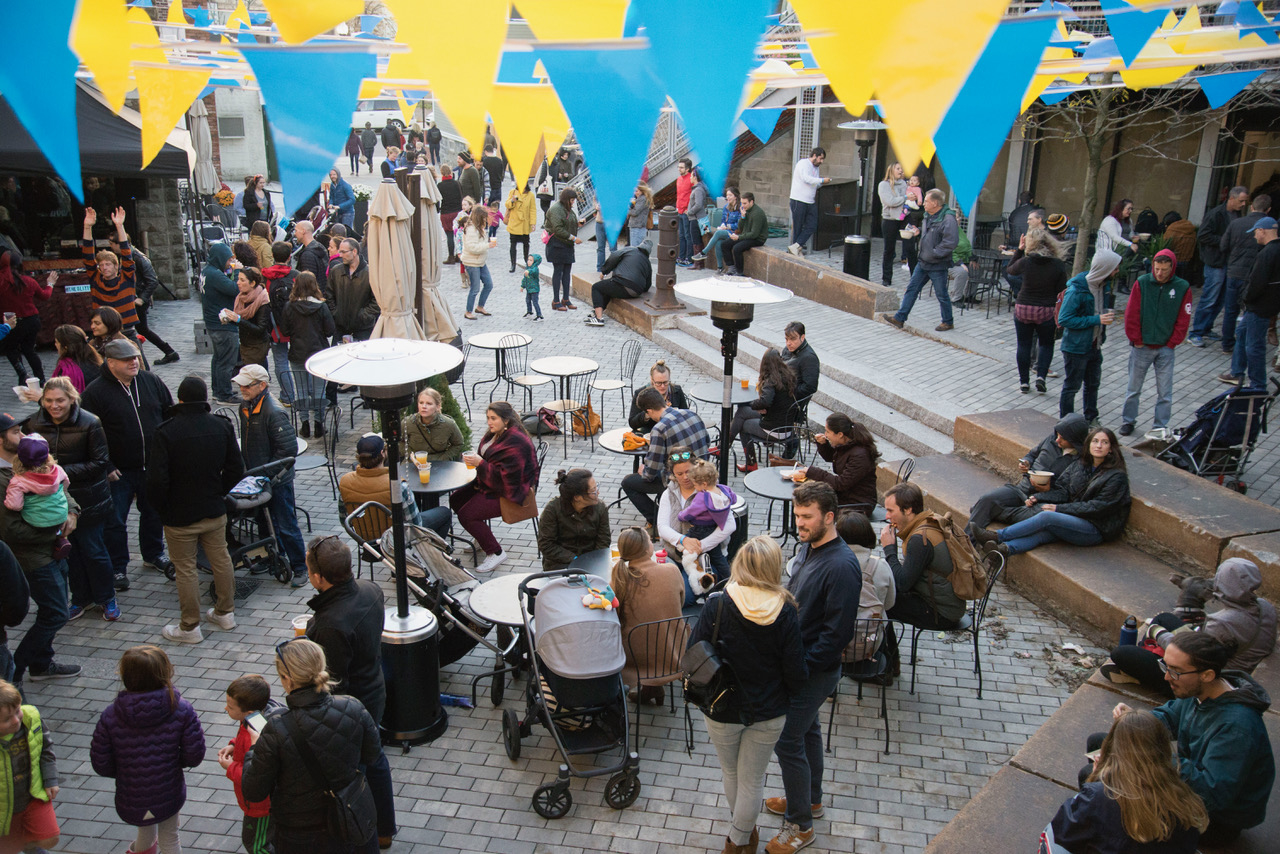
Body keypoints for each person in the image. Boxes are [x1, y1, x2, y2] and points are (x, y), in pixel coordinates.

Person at [693, 535, 807, 854]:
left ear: (739, 564)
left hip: (721, 707)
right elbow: (796, 672)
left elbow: (694, 652)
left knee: (731, 773)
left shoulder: (717, 604)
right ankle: (741, 837)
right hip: (769, 712)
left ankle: (739, 839)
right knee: (752, 780)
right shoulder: (786, 611)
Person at [763, 481, 859, 854]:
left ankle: (800, 826)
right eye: (797, 514)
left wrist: (800, 669)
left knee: (787, 739)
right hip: (799, 664)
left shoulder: (842, 566)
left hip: (812, 670)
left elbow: (837, 634)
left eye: (807, 516)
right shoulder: (809, 546)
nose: (799, 523)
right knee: (808, 732)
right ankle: (810, 799)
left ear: (829, 517)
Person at [1106, 633, 1275, 844]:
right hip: (1190, 790)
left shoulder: (1237, 727)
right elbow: (1168, 717)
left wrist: (1154, 756)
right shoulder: (1199, 692)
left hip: (1213, 820)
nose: (1167, 677)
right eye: (1166, 667)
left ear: (1207, 675)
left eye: (1175, 671)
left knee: (1105, 785)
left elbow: (1211, 794)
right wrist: (1136, 722)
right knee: (1102, 744)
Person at [241, 639, 381, 854]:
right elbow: (372, 755)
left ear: (287, 679)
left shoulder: (277, 729)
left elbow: (253, 790)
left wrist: (254, 747)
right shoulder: (353, 706)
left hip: (301, 832)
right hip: (351, 816)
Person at [302, 536, 397, 851]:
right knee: (375, 757)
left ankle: (363, 833)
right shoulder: (371, 590)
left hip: (351, 704)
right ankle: (385, 829)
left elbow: (333, 681)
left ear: (319, 578)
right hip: (374, 688)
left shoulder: (330, 625)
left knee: (356, 773)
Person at [147, 376, 244, 645]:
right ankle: (225, 613)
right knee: (221, 559)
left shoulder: (166, 432)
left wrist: (162, 507)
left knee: (185, 568)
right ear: (205, 398)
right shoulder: (221, 426)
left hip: (179, 515)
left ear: (180, 399)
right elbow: (236, 468)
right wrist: (219, 492)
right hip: (213, 509)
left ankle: (190, 627)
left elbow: (156, 480)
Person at [90, 645, 206, 854]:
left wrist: (125, 771)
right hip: (168, 789)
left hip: (131, 793)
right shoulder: (181, 709)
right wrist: (174, 763)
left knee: (145, 831)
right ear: (165, 672)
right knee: (170, 837)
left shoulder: (111, 715)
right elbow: (194, 754)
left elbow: (101, 763)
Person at [1103, 558, 1277, 697]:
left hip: (1210, 678)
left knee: (1121, 653)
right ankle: (1150, 659)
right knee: (1163, 618)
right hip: (1234, 659)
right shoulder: (1264, 605)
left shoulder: (1221, 622)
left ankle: (1152, 676)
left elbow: (1189, 655)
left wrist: (1157, 633)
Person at [80, 338, 175, 590]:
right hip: (119, 471)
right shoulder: (95, 393)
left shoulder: (151, 381)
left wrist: (168, 454)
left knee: (153, 513)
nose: (134, 362)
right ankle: (118, 567)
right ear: (110, 362)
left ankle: (153, 554)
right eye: (126, 359)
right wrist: (107, 465)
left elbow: (169, 413)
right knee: (115, 521)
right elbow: (88, 435)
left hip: (152, 465)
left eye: (135, 357)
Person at [1045, 710, 1207, 854]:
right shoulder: (1185, 801)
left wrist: (1097, 779)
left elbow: (1064, 834)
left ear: (1113, 748)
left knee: (1051, 836)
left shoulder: (1098, 796)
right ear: (1164, 749)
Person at [0, 412, 80, 684]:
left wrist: (72, 512)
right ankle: (16, 671)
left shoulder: (30, 460)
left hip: (53, 551)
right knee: (56, 613)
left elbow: (59, 487)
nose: (23, 436)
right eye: (15, 432)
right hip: (33, 559)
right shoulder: (3, 478)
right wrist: (53, 532)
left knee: (52, 610)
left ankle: (41, 663)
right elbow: (10, 530)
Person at [974, 427, 1130, 557]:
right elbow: (1063, 491)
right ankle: (1003, 551)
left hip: (1096, 528)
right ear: (1088, 444)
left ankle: (998, 536)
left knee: (1047, 517)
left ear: (1111, 448)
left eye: (1104, 442)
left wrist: (1058, 509)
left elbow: (1097, 507)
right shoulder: (1080, 465)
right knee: (1043, 534)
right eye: (1095, 441)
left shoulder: (1116, 476)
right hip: (1074, 519)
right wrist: (1038, 497)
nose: (1099, 446)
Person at [233, 364, 308, 587]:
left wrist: (267, 475)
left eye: (247, 385)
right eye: (241, 385)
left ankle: (299, 567)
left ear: (262, 385)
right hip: (257, 477)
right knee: (264, 521)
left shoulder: (274, 411)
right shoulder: (246, 406)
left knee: (286, 524)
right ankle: (272, 557)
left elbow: (288, 450)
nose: (242, 388)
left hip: (276, 479)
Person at [449, 402, 539, 574]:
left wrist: (480, 464)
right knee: (456, 499)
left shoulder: (516, 441)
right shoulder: (496, 434)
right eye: (488, 418)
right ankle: (482, 536)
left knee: (467, 515)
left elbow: (509, 478)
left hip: (511, 491)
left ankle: (496, 552)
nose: (489, 422)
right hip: (491, 483)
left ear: (506, 420)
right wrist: (477, 462)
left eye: (493, 418)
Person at [966, 413, 1088, 534]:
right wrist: (1026, 462)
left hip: (1043, 500)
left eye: (1063, 438)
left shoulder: (1081, 460)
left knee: (1041, 514)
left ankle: (986, 511)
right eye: (1057, 435)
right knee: (988, 499)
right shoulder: (1052, 439)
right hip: (1022, 489)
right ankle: (966, 540)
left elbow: (1067, 494)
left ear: (1074, 441)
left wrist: (1047, 490)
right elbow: (1032, 454)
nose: (1057, 440)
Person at [1119, 248, 1191, 437]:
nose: (1159, 273)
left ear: (1172, 268)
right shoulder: (1142, 283)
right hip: (1141, 347)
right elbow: (1131, 313)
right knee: (1133, 389)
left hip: (1166, 348)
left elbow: (1184, 317)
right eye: (1157, 269)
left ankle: (1160, 425)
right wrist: (1136, 339)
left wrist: (1173, 342)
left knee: (1165, 392)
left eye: (1164, 270)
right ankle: (1128, 421)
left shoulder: (1182, 287)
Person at [612, 526, 687, 706]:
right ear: (647, 549)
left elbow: (614, 616)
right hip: (674, 651)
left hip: (635, 658)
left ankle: (641, 690)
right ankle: (652, 689)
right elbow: (681, 603)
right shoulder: (672, 571)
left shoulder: (620, 578)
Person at [880, 482, 966, 638]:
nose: (887, 516)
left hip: (940, 613)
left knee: (879, 599)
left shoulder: (920, 540)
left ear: (908, 510)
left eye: (890, 510)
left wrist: (889, 549)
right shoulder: (927, 521)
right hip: (946, 604)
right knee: (882, 591)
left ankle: (887, 651)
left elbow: (903, 583)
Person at [622, 389, 710, 528]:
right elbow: (707, 442)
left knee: (628, 482)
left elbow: (650, 473)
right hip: (704, 473)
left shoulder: (659, 429)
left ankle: (659, 521)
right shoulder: (692, 414)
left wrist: (644, 470)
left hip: (681, 481)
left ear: (649, 411)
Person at [656, 449, 736, 594]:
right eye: (679, 474)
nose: (685, 477)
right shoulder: (668, 494)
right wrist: (683, 540)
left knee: (685, 596)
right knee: (661, 591)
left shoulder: (712, 491)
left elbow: (730, 525)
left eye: (688, 472)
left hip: (706, 557)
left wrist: (699, 547)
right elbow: (662, 527)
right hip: (675, 556)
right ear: (673, 474)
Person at [1058, 249, 1121, 423]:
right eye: (1114, 269)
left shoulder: (1104, 286)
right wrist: (1096, 320)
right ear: (1105, 268)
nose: (1117, 272)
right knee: (1072, 387)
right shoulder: (1077, 290)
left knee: (1093, 385)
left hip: (1094, 345)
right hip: (1076, 348)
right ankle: (1066, 423)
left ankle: (1091, 418)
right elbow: (1065, 319)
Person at [0, 678, 61, 854]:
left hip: (32, 795)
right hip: (4, 808)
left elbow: (45, 749)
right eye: (6, 719)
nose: (15, 720)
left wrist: (50, 779)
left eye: (17, 711)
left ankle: (26, 844)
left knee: (49, 838)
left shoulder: (31, 719)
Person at [1220, 216, 1280, 389]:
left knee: (1254, 346)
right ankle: (1237, 373)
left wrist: (1246, 298)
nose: (1254, 236)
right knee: (1242, 333)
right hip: (1265, 305)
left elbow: (1257, 282)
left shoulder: (1267, 253)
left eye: (1255, 232)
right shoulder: (1275, 250)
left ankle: (1258, 384)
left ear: (1262, 231)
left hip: (1258, 306)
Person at [887, 189, 959, 332]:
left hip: (937, 264)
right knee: (912, 289)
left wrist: (934, 253)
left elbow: (950, 242)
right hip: (923, 261)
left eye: (926, 201)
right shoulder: (928, 215)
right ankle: (900, 318)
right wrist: (919, 231)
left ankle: (948, 321)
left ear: (935, 203)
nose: (923, 203)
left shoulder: (948, 219)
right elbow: (931, 233)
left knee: (941, 294)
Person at [218, 675, 275, 854]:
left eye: (230, 706)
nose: (225, 708)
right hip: (256, 804)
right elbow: (243, 741)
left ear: (248, 711)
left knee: (256, 845)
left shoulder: (256, 735)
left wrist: (230, 767)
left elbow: (255, 775)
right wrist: (233, 745)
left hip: (259, 806)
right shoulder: (252, 722)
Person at [338, 434, 439, 534]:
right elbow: (416, 525)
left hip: (364, 540)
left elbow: (345, 521)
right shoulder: (398, 485)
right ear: (382, 453)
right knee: (443, 512)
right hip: (396, 540)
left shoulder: (345, 482)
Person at [1008, 229, 1068, 394]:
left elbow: (1010, 270)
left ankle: (1024, 382)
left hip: (1024, 307)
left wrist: (1019, 250)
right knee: (1046, 344)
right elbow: (1062, 289)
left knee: (1024, 345)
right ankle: (1041, 376)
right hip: (1046, 309)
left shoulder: (1026, 262)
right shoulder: (1057, 264)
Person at [1189, 186, 1248, 347]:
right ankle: (1196, 332)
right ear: (1231, 198)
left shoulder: (1237, 214)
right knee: (1210, 297)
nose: (1243, 204)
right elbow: (1203, 235)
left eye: (1245, 201)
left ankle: (1206, 328)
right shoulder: (1216, 214)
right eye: (1241, 201)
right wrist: (1225, 241)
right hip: (1215, 262)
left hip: (1227, 261)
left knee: (1221, 299)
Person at [281, 272, 334, 439]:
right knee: (319, 390)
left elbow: (285, 331)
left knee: (301, 390)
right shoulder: (321, 306)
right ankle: (319, 424)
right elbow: (330, 330)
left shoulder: (289, 306)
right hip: (319, 353)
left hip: (297, 352)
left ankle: (304, 424)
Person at [3, 435, 71, 563]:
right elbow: (65, 484)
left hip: (38, 523)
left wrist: (7, 501)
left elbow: (15, 506)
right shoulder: (57, 470)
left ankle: (58, 539)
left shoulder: (18, 481)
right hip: (61, 517)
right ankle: (61, 538)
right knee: (56, 525)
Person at [1218, 194, 1271, 355]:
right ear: (1268, 210)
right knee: (1250, 311)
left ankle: (1227, 344)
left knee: (1230, 310)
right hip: (1254, 276)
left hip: (1234, 272)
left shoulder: (1236, 223)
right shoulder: (1269, 227)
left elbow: (1223, 246)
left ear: (1251, 207)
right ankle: (1245, 344)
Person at [794, 412, 880, 512]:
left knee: (814, 507)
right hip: (845, 495)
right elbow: (834, 457)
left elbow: (841, 483)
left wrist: (813, 472)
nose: (826, 435)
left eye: (828, 432)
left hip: (858, 504)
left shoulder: (860, 455)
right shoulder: (847, 445)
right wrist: (823, 444)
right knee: (807, 498)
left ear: (840, 434)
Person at [728, 348, 796, 473]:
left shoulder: (771, 380)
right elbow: (778, 401)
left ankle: (750, 463)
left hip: (774, 430)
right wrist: (763, 408)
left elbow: (765, 401)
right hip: (787, 428)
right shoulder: (788, 376)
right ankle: (725, 445)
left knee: (743, 425)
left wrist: (755, 405)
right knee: (742, 411)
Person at [537, 468, 610, 570]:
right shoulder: (553, 510)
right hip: (560, 563)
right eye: (593, 491)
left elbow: (603, 541)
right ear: (577, 497)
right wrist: (574, 559)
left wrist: (592, 561)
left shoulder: (600, 508)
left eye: (596, 487)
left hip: (591, 561)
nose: (598, 492)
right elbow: (546, 545)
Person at [0, 249, 50, 386]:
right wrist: (50, 284)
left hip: (11, 322)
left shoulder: (2, 282)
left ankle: (22, 375)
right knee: (29, 350)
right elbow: (45, 296)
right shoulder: (29, 281)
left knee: (11, 350)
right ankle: (41, 379)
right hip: (31, 320)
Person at [202, 243, 240, 404]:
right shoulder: (214, 275)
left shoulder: (207, 271)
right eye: (228, 259)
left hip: (213, 323)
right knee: (226, 361)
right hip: (222, 325)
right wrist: (237, 271)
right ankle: (224, 394)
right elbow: (234, 289)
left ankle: (218, 391)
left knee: (218, 359)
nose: (230, 262)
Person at [263, 241, 297, 406]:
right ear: (289, 256)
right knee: (300, 361)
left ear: (272, 255)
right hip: (296, 324)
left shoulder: (266, 276)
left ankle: (288, 396)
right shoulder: (296, 275)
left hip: (275, 325)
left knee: (280, 361)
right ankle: (306, 393)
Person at [587, 240, 652, 327]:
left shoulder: (630, 250)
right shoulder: (647, 263)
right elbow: (647, 285)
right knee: (607, 289)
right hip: (636, 291)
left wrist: (604, 271)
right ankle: (597, 312)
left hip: (622, 283)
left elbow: (614, 256)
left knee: (596, 287)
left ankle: (599, 318)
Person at [329, 238, 378, 344]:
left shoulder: (371, 273)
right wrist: (336, 313)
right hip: (340, 329)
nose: (340, 255)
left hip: (363, 330)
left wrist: (364, 316)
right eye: (340, 251)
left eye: (343, 252)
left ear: (354, 251)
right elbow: (329, 295)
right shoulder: (336, 271)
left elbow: (377, 300)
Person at [401, 387, 465, 464]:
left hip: (439, 464)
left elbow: (458, 444)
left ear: (438, 406)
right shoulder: (408, 423)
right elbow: (399, 442)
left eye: (429, 403)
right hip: (414, 463)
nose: (424, 406)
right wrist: (410, 456)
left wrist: (444, 458)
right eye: (421, 403)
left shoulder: (448, 424)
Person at [788, 147, 832, 257]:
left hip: (810, 201)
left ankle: (796, 246)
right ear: (815, 156)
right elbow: (806, 178)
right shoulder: (803, 163)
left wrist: (822, 183)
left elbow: (814, 183)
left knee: (812, 225)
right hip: (798, 200)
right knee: (798, 227)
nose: (821, 161)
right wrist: (822, 180)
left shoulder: (816, 168)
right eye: (820, 158)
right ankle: (796, 250)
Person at [227, 266, 273, 369]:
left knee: (258, 376)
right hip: (245, 345)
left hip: (257, 347)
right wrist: (229, 318)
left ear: (252, 283)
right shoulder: (241, 297)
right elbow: (240, 321)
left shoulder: (262, 301)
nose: (238, 283)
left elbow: (260, 329)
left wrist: (239, 320)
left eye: (242, 280)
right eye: (238, 279)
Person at [627, 360, 689, 434]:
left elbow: (686, 415)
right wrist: (647, 414)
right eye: (658, 383)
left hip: (673, 431)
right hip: (649, 432)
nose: (662, 386)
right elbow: (632, 423)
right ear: (652, 380)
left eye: (665, 382)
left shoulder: (676, 391)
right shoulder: (641, 394)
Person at [546, 188, 582, 311]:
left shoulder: (567, 208)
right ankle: (556, 300)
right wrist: (573, 238)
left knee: (567, 272)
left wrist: (577, 224)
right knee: (558, 272)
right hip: (557, 244)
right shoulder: (556, 209)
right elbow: (558, 228)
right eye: (571, 200)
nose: (573, 202)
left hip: (567, 245)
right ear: (566, 199)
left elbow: (567, 222)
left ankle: (565, 299)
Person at [693, 186, 741, 273]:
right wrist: (722, 225)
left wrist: (728, 226)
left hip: (735, 232)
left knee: (718, 233)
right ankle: (720, 267)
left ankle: (703, 253)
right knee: (718, 243)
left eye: (730, 195)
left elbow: (739, 224)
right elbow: (723, 220)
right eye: (727, 195)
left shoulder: (740, 208)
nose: (728, 197)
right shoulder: (726, 207)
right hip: (726, 231)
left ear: (735, 196)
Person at [877, 163, 910, 286]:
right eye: (898, 168)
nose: (901, 170)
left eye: (902, 168)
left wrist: (907, 198)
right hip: (889, 219)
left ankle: (914, 279)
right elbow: (890, 201)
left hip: (904, 217)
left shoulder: (904, 184)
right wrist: (905, 197)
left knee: (910, 248)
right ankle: (886, 278)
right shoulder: (883, 185)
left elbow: (910, 200)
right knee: (889, 250)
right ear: (891, 170)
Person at [460, 206, 494, 320]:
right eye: (483, 217)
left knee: (489, 284)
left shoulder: (479, 228)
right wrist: (487, 245)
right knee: (475, 288)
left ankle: (480, 307)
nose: (485, 220)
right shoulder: (471, 230)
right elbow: (472, 247)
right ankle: (468, 311)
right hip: (472, 262)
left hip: (480, 261)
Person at [725, 192, 768, 276]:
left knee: (737, 248)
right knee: (725, 244)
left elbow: (754, 234)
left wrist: (739, 237)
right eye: (742, 203)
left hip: (757, 239)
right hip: (747, 235)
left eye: (745, 203)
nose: (743, 205)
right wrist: (743, 217)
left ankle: (739, 272)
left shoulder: (757, 213)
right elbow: (740, 228)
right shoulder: (745, 210)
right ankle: (731, 268)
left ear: (751, 202)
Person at [51, 324, 102, 393]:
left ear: (65, 347)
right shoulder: (95, 360)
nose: (55, 344)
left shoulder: (66, 369)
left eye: (57, 342)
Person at [780, 321, 820, 402]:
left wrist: (788, 394)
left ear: (802, 337)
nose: (788, 343)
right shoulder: (788, 349)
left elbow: (810, 387)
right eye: (786, 339)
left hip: (791, 400)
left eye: (793, 339)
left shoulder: (809, 358)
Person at [505, 181, 536, 271]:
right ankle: (513, 264)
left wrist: (533, 223)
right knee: (513, 244)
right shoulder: (513, 192)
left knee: (526, 243)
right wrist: (512, 201)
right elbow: (507, 205)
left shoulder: (530, 195)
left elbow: (532, 210)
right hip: (514, 223)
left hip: (525, 224)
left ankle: (527, 261)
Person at [291, 220, 330, 286]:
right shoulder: (320, 246)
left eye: (296, 231)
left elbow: (307, 282)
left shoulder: (307, 255)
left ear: (303, 231)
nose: (295, 234)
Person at [437, 168, 463, 263]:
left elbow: (437, 200)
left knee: (449, 235)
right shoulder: (456, 183)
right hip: (457, 211)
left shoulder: (440, 185)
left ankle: (451, 256)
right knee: (458, 235)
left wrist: (437, 209)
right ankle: (459, 255)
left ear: (442, 173)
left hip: (446, 212)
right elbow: (461, 196)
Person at [674, 158, 694, 266]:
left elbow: (694, 196)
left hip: (686, 212)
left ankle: (689, 257)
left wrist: (689, 209)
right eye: (679, 167)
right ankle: (681, 256)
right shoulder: (678, 179)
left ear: (687, 169)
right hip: (679, 210)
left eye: (681, 167)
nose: (679, 169)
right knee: (681, 235)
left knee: (687, 235)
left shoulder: (691, 179)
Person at [628, 183, 653, 249]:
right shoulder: (643, 198)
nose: (635, 193)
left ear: (642, 191)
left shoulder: (642, 199)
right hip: (640, 226)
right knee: (639, 248)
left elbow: (634, 212)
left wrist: (627, 209)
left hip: (637, 227)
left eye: (637, 191)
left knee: (634, 249)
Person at [521, 254, 543, 321]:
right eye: (528, 260)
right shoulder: (527, 268)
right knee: (528, 300)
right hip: (529, 289)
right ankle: (529, 311)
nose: (528, 262)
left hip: (534, 289)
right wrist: (522, 286)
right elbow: (525, 279)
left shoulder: (535, 269)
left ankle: (539, 315)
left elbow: (533, 271)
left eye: (531, 260)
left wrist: (529, 271)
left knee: (535, 302)